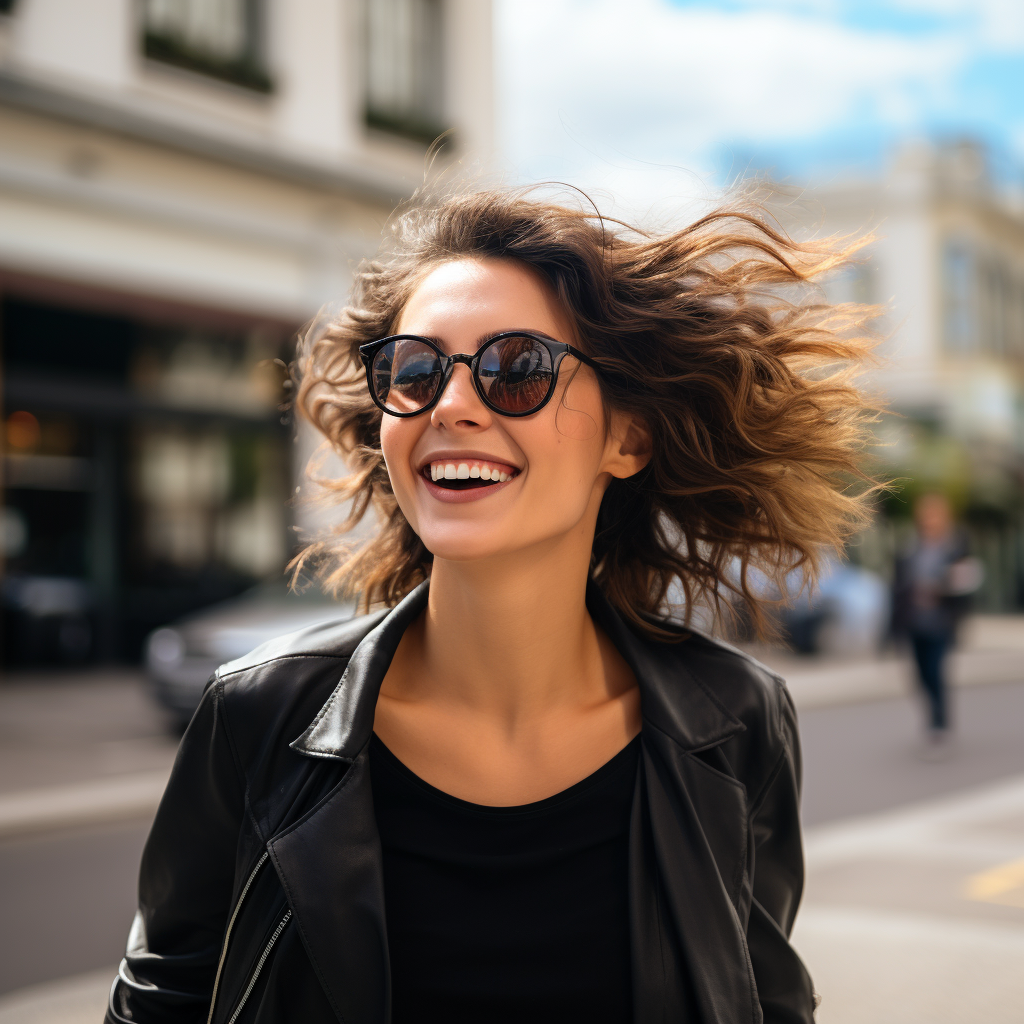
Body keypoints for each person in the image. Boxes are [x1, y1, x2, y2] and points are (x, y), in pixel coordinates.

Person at [106, 187, 877, 1024]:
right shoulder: (256, 716)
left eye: (517, 369)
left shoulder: (734, 724)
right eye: (415, 370)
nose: (451, 405)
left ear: (628, 438)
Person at [893, 492, 980, 743]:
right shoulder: (910, 545)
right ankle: (933, 718)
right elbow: (898, 585)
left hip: (942, 620)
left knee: (936, 671)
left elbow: (967, 579)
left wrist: (941, 587)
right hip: (915, 621)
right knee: (920, 674)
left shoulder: (956, 546)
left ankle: (939, 723)